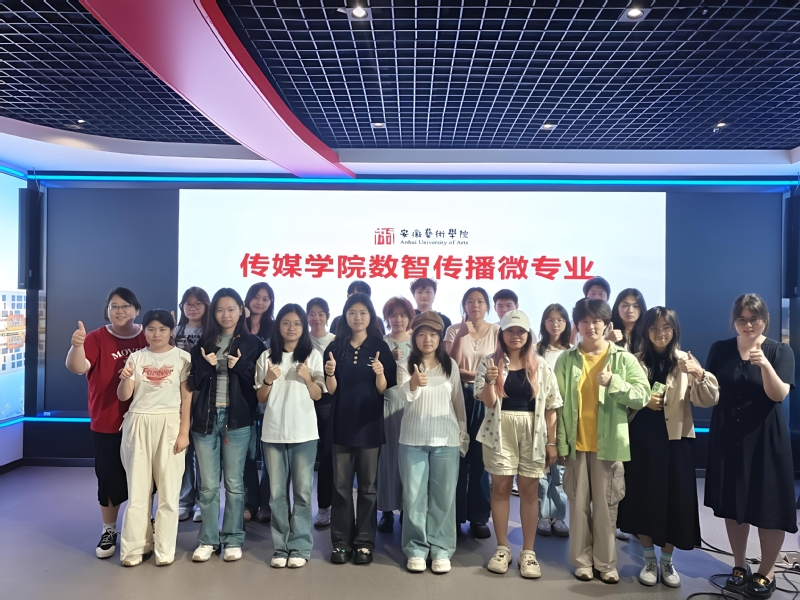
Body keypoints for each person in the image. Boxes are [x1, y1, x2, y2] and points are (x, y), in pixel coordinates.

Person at [617, 307, 719, 588]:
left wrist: (699, 373)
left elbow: (707, 399)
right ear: (646, 330)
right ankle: (649, 560)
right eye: (654, 327)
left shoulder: (685, 360)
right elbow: (620, 396)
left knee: (675, 499)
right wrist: (643, 401)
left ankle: (667, 561)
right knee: (643, 497)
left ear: (674, 330)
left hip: (677, 440)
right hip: (642, 439)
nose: (660, 333)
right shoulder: (635, 360)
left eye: (666, 327)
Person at [704, 294, 796, 599]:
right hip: (728, 436)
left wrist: (765, 365)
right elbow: (710, 391)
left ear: (764, 320)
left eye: (754, 319)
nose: (748, 325)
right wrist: (697, 375)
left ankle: (766, 571)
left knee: (769, 505)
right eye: (741, 319)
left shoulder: (779, 351)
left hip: (766, 440)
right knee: (733, 504)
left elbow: (778, 395)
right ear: (734, 321)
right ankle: (739, 565)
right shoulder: (720, 349)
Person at [554, 298, 650, 583]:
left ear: (607, 324)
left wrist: (614, 383)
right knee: (578, 506)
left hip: (609, 446)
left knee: (607, 509)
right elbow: (556, 404)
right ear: (577, 325)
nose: (590, 326)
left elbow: (643, 395)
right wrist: (559, 444)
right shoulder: (567, 359)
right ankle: (582, 561)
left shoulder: (622, 358)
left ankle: (606, 564)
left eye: (596, 321)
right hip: (576, 445)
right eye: (584, 321)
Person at [475, 310, 562, 579]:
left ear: (528, 334)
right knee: (500, 488)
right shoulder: (489, 362)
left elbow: (551, 407)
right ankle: (502, 548)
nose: (515, 336)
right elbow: (488, 402)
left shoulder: (541, 365)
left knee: (529, 490)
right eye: (510, 331)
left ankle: (528, 551)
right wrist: (490, 380)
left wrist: (551, 442)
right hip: (499, 430)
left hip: (533, 431)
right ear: (502, 334)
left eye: (520, 331)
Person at [65, 287, 146, 560]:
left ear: (137, 310)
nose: (120, 310)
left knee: (146, 478)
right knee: (109, 478)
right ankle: (109, 529)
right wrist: (77, 345)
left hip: (144, 421)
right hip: (108, 422)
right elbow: (77, 367)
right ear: (107, 311)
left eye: (125, 305)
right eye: (114, 306)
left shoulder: (149, 334)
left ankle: (143, 526)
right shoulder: (96, 337)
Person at [189, 288, 263, 563]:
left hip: (237, 421)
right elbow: (193, 382)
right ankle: (208, 539)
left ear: (241, 310)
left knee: (234, 483)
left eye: (231, 309)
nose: (226, 315)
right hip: (206, 419)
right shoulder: (204, 341)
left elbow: (259, 387)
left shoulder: (254, 344)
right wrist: (206, 366)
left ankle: (232, 538)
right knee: (208, 485)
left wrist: (240, 367)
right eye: (220, 310)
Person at [323, 293, 397, 565]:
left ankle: (364, 543)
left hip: (370, 425)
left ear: (371, 316)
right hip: (341, 425)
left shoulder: (380, 347)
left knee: (367, 488)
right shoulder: (335, 347)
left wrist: (380, 372)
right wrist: (330, 373)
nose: (357, 317)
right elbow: (332, 390)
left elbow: (383, 389)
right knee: (341, 486)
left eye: (363, 312)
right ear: (345, 316)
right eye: (352, 312)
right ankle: (341, 543)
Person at [116, 309, 192, 567]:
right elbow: (124, 396)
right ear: (144, 330)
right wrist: (125, 379)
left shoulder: (183, 358)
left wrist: (184, 432)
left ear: (171, 331)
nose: (156, 334)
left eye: (162, 329)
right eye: (151, 329)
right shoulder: (136, 358)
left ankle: (164, 549)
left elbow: (187, 398)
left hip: (170, 424)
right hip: (138, 423)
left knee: (169, 492)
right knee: (137, 491)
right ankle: (134, 549)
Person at [255, 304, 325, 568]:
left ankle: (300, 546)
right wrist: (268, 379)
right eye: (286, 323)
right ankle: (280, 547)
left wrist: (308, 378)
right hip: (273, 433)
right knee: (276, 495)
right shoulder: (266, 357)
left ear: (303, 327)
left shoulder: (312, 356)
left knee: (303, 493)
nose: (292, 328)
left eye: (297, 323)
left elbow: (318, 395)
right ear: (278, 326)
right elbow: (261, 398)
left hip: (304, 433)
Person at [398, 312, 468, 574]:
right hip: (412, 440)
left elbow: (458, 402)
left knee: (444, 498)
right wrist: (414, 384)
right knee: (413, 497)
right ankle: (416, 548)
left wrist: (462, 436)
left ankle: (441, 548)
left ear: (440, 337)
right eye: (421, 334)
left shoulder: (450, 365)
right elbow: (403, 398)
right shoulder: (405, 364)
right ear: (414, 337)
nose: (427, 339)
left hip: (446, 440)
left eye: (433, 334)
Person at [444, 287, 499, 539]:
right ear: (464, 306)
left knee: (481, 456)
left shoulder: (497, 331)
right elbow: (449, 366)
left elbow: (498, 367)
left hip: (484, 397)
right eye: (470, 301)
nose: (475, 305)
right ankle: (454, 516)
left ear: (487, 306)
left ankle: (478, 517)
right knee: (456, 456)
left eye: (480, 301)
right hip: (457, 396)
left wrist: (473, 374)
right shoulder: (453, 330)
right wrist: (460, 337)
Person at [377, 296, 415, 533]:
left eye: (403, 315)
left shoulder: (418, 342)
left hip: (412, 407)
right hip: (388, 405)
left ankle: (408, 508)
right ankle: (387, 511)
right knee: (387, 460)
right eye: (393, 315)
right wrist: (388, 360)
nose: (398, 319)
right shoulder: (380, 343)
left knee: (410, 461)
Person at [535, 303, 571, 538]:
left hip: (564, 415)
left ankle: (559, 516)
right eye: (550, 319)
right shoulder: (535, 350)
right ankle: (543, 515)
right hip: (540, 415)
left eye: (559, 319)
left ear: (566, 323)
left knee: (559, 470)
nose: (555, 324)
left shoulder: (572, 352)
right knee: (541, 470)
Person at [174, 286, 210, 523]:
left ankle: (201, 503)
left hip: (204, 396)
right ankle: (184, 500)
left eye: (198, 303)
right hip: (177, 397)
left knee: (202, 453)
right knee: (183, 451)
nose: (193, 307)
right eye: (188, 303)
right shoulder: (174, 331)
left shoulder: (212, 332)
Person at [243, 283, 274, 523]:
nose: (260, 302)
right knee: (248, 454)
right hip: (244, 397)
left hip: (269, 397)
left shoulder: (275, 328)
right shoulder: (237, 325)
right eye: (256, 297)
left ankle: (267, 503)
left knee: (271, 455)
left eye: (265, 298)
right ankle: (250, 502)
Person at [308, 297, 335, 528]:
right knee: (303, 457)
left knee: (327, 456)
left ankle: (325, 506)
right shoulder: (300, 339)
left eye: (320, 313)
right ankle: (298, 507)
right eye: (312, 313)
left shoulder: (335, 341)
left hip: (328, 401)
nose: (316, 318)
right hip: (302, 400)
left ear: (327, 316)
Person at [569, 276, 611, 346]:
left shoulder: (614, 320)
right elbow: (568, 348)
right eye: (593, 293)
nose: (597, 297)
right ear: (586, 297)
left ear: (608, 298)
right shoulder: (576, 320)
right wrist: (573, 333)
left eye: (601, 294)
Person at [608, 288, 647, 353]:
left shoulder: (647, 333)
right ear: (617, 307)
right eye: (625, 305)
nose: (630, 311)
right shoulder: (607, 330)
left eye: (636, 306)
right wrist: (607, 341)